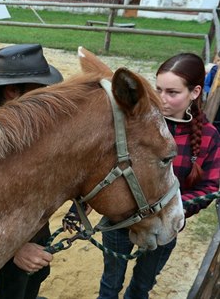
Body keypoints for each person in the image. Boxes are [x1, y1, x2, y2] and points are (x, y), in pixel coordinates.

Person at [94, 53, 220, 299]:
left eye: (172, 92)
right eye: (158, 89)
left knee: (142, 287)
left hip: (163, 226)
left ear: (194, 92)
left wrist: (172, 208)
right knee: (110, 284)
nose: (162, 99)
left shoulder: (209, 137)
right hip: (121, 221)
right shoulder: (137, 123)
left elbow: (211, 186)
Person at [0, 44, 63, 299]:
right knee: (13, 288)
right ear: (13, 91)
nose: (49, 95)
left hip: (34, 223)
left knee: (36, 275)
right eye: (42, 88)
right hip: (0, 237)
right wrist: (15, 249)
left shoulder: (33, 121)